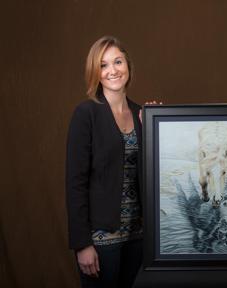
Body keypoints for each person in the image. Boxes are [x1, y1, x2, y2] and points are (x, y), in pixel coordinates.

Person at [66, 36, 144, 288]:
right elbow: (75, 183)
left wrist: (158, 123)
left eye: (118, 61)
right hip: (100, 241)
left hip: (137, 237)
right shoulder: (86, 113)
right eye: (103, 65)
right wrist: (82, 244)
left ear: (128, 66)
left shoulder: (142, 113)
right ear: (95, 72)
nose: (113, 70)